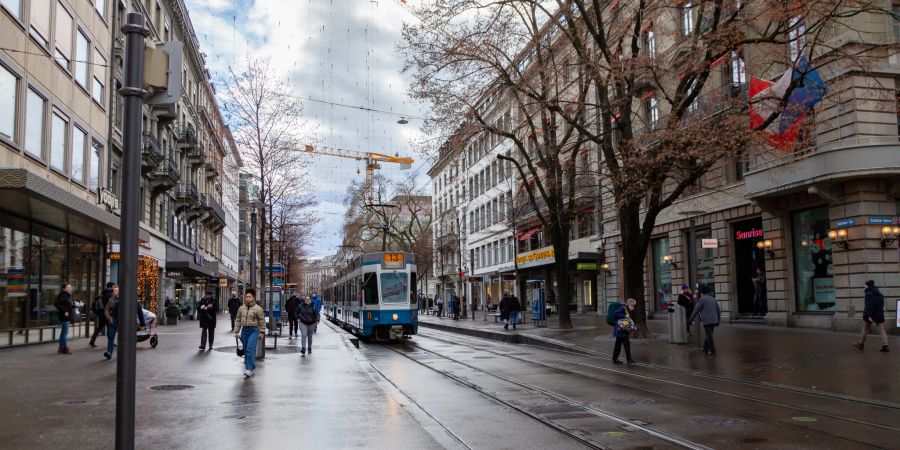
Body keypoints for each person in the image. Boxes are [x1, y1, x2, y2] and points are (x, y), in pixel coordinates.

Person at [103, 285, 147, 360]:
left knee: (125, 340)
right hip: (115, 322)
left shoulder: (133, 302)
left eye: (116, 290)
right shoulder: (111, 300)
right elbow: (108, 311)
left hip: (125, 324)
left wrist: (142, 324)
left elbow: (140, 314)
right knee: (111, 336)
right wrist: (110, 319)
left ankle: (125, 354)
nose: (114, 292)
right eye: (113, 290)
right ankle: (109, 353)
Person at [234, 289, 265, 378]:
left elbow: (262, 321)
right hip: (244, 331)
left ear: (253, 297)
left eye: (249, 297)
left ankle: (248, 369)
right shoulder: (241, 308)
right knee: (246, 350)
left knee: (249, 349)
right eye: (246, 297)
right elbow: (238, 320)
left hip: (254, 330)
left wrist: (262, 332)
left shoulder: (258, 309)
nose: (247, 298)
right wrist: (236, 331)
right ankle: (252, 367)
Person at [853, 280, 889, 352]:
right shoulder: (879, 294)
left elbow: (869, 305)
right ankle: (885, 345)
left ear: (868, 285)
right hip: (879, 314)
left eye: (865, 285)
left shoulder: (868, 293)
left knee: (866, 328)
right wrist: (879, 313)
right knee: (881, 329)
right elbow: (881, 305)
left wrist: (868, 315)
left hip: (871, 314)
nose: (864, 286)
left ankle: (861, 344)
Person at [689, 284, 721, 356]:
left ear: (702, 293)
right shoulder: (713, 299)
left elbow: (696, 310)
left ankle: (712, 351)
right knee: (709, 334)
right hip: (714, 320)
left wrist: (690, 319)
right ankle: (705, 347)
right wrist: (718, 320)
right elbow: (718, 310)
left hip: (707, 320)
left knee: (709, 336)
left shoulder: (702, 300)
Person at [90, 283, 116, 348]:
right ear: (112, 287)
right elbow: (111, 305)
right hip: (107, 314)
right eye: (114, 287)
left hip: (101, 314)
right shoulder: (110, 295)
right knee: (110, 328)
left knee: (99, 328)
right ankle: (111, 342)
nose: (115, 288)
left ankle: (92, 341)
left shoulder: (103, 294)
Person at [612, 298, 637, 364]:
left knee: (620, 345)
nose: (633, 307)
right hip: (621, 330)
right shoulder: (623, 308)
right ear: (629, 303)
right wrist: (624, 316)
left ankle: (615, 359)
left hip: (622, 330)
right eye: (633, 305)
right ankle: (628, 359)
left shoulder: (626, 309)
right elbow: (615, 314)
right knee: (624, 345)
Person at [54, 283, 74, 355]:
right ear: (64, 289)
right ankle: (65, 348)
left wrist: (74, 305)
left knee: (63, 333)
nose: (70, 288)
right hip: (64, 316)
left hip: (67, 316)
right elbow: (56, 304)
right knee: (65, 333)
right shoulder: (63, 295)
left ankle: (61, 348)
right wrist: (64, 311)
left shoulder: (67, 296)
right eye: (68, 287)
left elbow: (67, 305)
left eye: (70, 287)